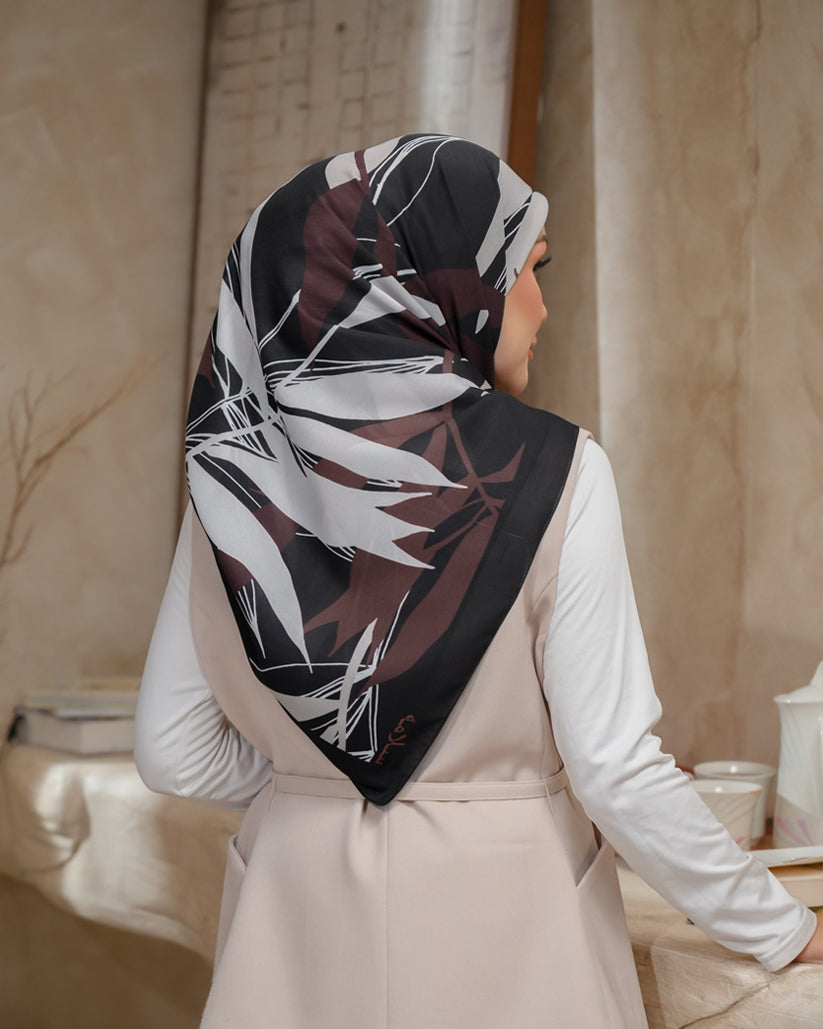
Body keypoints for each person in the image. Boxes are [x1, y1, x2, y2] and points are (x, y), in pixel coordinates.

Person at [135, 133, 823, 1028]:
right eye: (529, 269)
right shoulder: (556, 470)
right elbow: (614, 769)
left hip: (295, 931)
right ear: (434, 286)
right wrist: (781, 928)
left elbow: (173, 750)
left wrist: (318, 779)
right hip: (512, 934)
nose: (542, 305)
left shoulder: (228, 491)